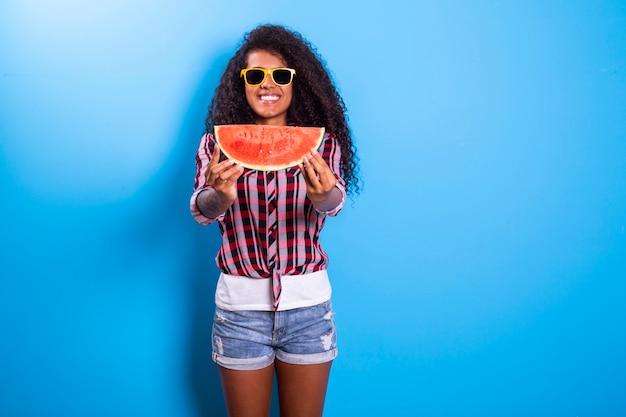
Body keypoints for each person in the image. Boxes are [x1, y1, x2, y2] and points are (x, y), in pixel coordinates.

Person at [189, 24, 359, 417]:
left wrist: (322, 194)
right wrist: (220, 196)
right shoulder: (215, 146)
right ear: (242, 83)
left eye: (281, 75)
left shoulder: (323, 143)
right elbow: (201, 209)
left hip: (308, 309)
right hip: (239, 312)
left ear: (297, 82)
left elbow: (333, 202)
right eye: (256, 75)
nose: (268, 84)